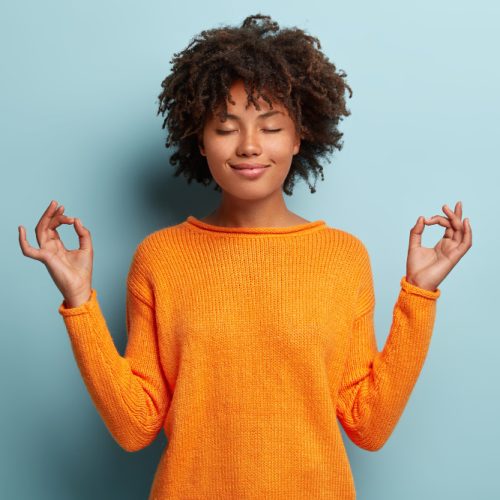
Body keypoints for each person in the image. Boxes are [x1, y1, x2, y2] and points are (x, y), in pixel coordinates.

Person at [18, 13, 472, 500]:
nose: (250, 146)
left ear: (299, 137)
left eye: (271, 126)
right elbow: (135, 427)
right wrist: (80, 302)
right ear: (201, 139)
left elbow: (369, 424)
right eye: (226, 127)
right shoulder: (160, 257)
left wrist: (420, 296)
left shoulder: (343, 258)